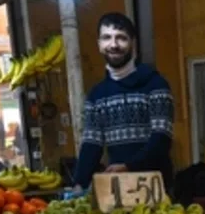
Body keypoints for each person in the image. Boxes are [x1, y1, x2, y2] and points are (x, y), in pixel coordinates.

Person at [72, 13, 174, 189]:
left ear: (132, 43)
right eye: (107, 38)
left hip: (155, 188)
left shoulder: (155, 84)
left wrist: (129, 167)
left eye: (121, 38)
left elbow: (161, 139)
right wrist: (79, 183)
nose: (113, 44)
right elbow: (91, 144)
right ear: (99, 44)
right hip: (118, 188)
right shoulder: (96, 95)